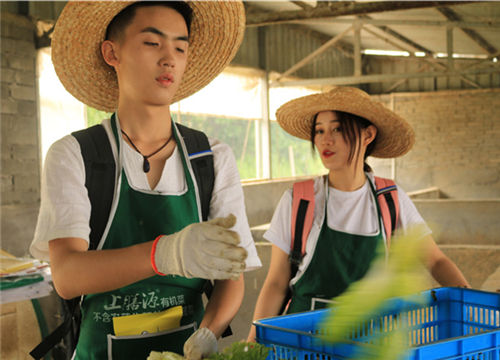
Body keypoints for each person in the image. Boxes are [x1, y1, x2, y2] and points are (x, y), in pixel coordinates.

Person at [29, 2, 261, 359]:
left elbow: (231, 274)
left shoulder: (210, 159)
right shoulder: (78, 155)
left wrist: (208, 333)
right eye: (153, 43)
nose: (169, 58)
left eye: (180, 48)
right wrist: (164, 253)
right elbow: (68, 276)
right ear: (112, 52)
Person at [247, 87, 469, 342]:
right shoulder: (300, 201)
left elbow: (435, 261)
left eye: (337, 129)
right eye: (319, 130)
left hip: (370, 342)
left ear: (368, 134)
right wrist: (252, 343)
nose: (325, 140)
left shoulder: (391, 200)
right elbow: (277, 282)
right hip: (304, 340)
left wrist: (469, 297)